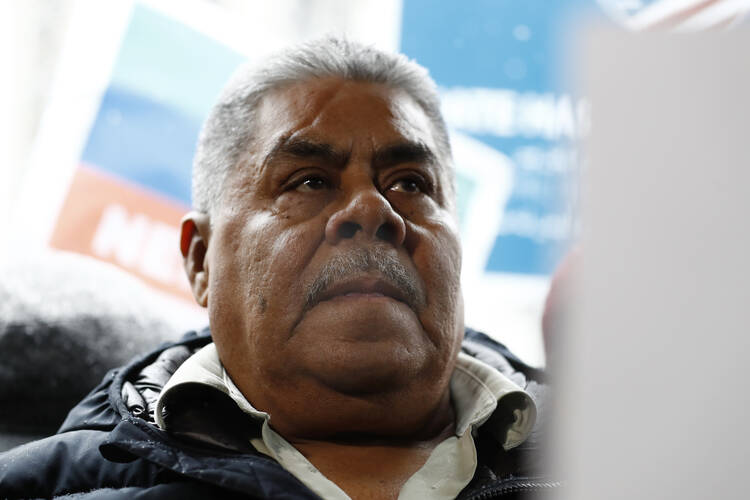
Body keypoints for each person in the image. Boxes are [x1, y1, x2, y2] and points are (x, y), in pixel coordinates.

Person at [0, 37, 558, 499]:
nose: (373, 209)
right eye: (310, 180)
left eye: (410, 184)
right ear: (200, 261)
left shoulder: (624, 460)